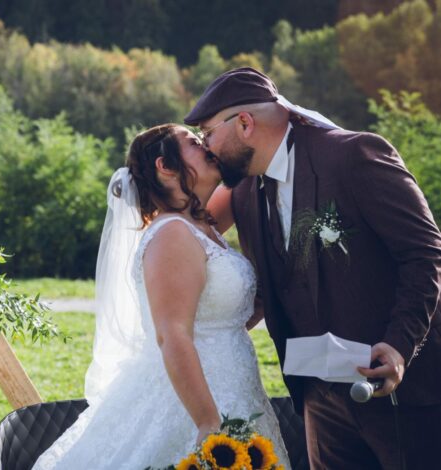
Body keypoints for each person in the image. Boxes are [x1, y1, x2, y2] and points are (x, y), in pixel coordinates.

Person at [187, 67, 441, 469]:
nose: (207, 147)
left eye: (208, 134)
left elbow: (426, 253)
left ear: (245, 124)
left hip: (400, 392)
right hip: (319, 402)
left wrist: (399, 345)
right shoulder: (245, 193)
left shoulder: (353, 156)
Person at [32, 124, 291, 469]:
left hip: (235, 384)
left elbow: (248, 164)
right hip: (194, 402)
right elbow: (172, 334)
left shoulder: (203, 224)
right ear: (165, 167)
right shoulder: (172, 235)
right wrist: (207, 422)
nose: (209, 147)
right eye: (196, 143)